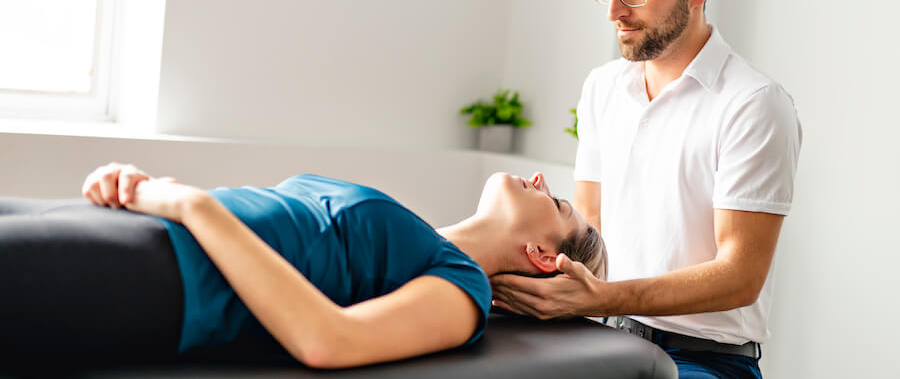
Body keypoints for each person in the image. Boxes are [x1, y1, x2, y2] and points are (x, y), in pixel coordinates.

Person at [490, 0, 802, 379]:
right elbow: (589, 233)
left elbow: (741, 276)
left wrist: (603, 297)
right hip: (600, 337)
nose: (615, 12)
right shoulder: (603, 87)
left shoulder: (752, 104)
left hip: (703, 359)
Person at [0, 163, 605, 370]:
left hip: (171, 275)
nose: (537, 179)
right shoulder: (418, 232)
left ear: (544, 259)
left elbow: (327, 340)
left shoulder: (461, 288)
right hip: (140, 224)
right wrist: (150, 191)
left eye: (555, 205)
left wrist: (192, 204)